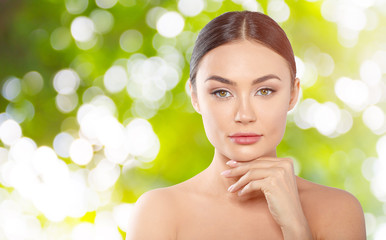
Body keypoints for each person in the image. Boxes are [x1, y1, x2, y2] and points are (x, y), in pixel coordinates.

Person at [126, 11, 366, 240]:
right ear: (195, 96)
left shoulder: (338, 211)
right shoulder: (159, 212)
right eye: (222, 92)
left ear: (293, 94)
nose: (244, 115)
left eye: (264, 91)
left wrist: (295, 225)